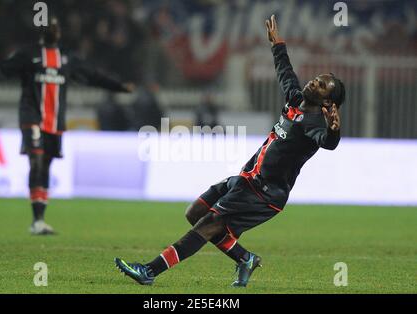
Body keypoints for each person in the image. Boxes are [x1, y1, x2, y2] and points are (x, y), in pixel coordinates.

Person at [114, 15, 345, 287]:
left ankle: (150, 271)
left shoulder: (314, 123)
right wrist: (277, 45)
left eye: (320, 85)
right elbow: (285, 72)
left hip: (266, 192)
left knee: (209, 223)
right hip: (248, 178)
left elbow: (326, 142)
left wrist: (333, 130)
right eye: (317, 79)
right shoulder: (296, 100)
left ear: (327, 101)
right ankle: (245, 258)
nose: (313, 83)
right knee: (195, 213)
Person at [0, 17, 134, 235]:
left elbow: (92, 76)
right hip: (32, 117)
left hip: (55, 122)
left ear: (59, 33)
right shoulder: (29, 55)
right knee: (37, 160)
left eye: (56, 27)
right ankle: (37, 219)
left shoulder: (67, 58)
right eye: (50, 26)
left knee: (46, 165)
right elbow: (5, 69)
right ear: (42, 32)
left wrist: (119, 86)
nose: (54, 30)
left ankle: (40, 220)